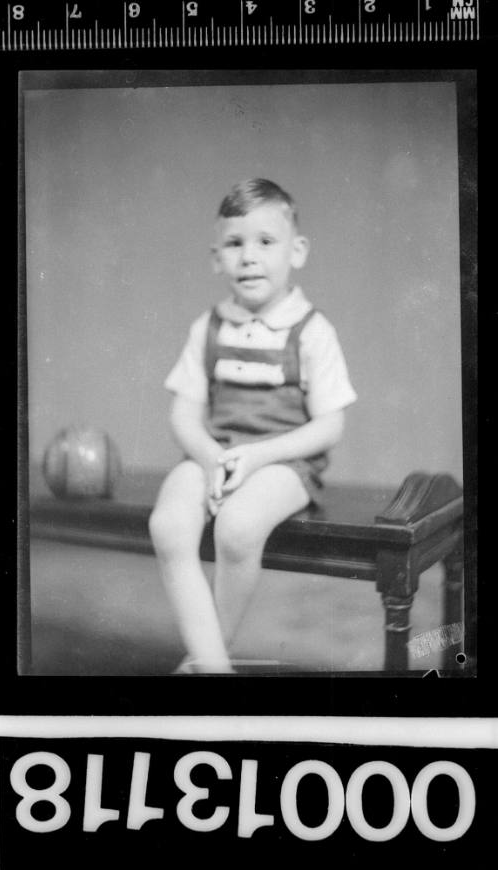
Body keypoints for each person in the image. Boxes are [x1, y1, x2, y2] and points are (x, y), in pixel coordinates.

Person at [149, 178, 357, 673]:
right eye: (234, 243)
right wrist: (209, 457)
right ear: (216, 257)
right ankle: (215, 666)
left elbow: (330, 426)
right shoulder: (208, 327)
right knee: (168, 524)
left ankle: (205, 659)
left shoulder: (311, 330)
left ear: (297, 251)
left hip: (284, 462)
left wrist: (259, 456)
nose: (248, 257)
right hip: (215, 451)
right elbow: (183, 414)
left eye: (266, 242)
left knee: (238, 528)